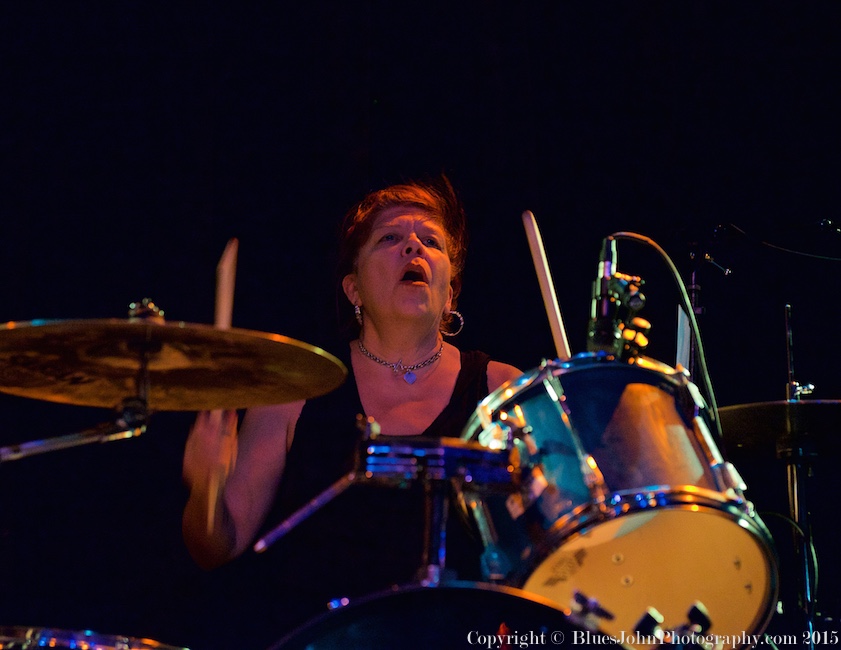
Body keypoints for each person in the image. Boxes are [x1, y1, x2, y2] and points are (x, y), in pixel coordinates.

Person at [180, 176, 523, 646]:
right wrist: (206, 487)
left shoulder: (502, 389)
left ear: (450, 294)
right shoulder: (295, 389)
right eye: (390, 239)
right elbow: (215, 547)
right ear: (354, 289)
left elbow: (550, 541)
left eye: (430, 242)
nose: (412, 249)